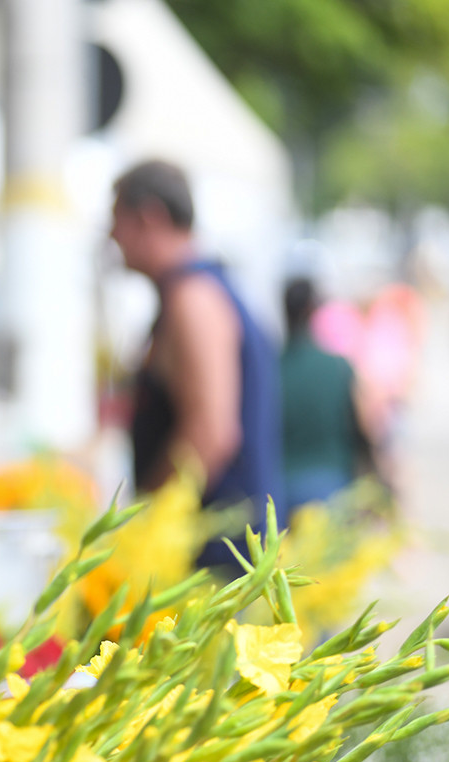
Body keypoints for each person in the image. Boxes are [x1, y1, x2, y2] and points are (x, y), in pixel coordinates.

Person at [109, 159, 284, 571]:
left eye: (117, 219)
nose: (112, 235)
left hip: (215, 555)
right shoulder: (197, 291)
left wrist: (144, 523)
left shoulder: (192, 299)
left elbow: (210, 433)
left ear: (149, 217)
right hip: (221, 546)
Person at [279, 275, 377, 512]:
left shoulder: (272, 367)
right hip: (332, 486)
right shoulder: (338, 367)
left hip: (282, 488)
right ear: (313, 309)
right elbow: (362, 426)